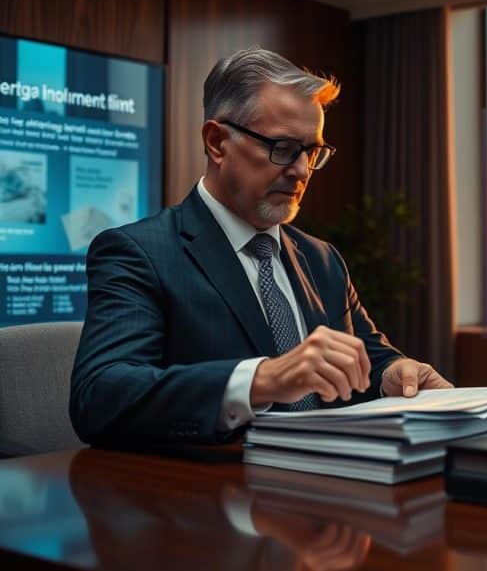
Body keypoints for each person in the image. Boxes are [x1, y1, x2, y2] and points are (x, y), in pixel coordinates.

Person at [69, 48, 451, 447]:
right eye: (283, 148)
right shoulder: (138, 252)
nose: (302, 170)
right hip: (208, 497)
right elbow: (99, 395)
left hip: (332, 489)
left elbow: (367, 360)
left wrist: (396, 372)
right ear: (217, 142)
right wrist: (263, 379)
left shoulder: (322, 260)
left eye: (312, 152)